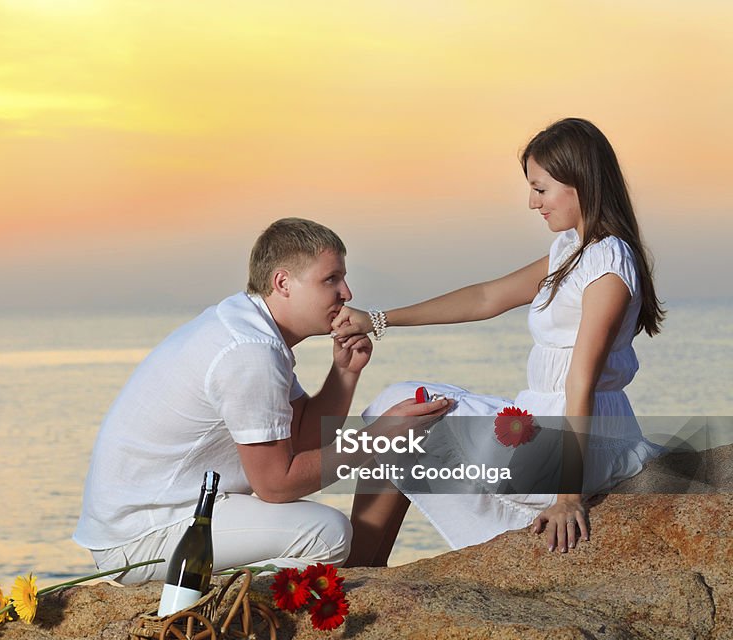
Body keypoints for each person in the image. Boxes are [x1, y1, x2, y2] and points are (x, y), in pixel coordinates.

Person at [332, 118, 665, 564]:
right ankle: (364, 570)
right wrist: (377, 319)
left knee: (404, 410)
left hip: (575, 438)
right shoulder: (572, 250)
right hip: (545, 421)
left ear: (580, 182)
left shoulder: (606, 264)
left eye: (541, 189)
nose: (532, 202)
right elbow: (486, 297)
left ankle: (359, 569)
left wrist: (568, 497)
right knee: (403, 412)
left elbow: (580, 383)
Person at [73, 217, 451, 583]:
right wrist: (381, 436)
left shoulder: (249, 326)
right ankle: (233, 605)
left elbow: (304, 437)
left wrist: (345, 373)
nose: (347, 293)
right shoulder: (250, 351)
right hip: (141, 539)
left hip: (165, 516)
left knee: (323, 531)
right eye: (331, 279)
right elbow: (276, 485)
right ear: (283, 283)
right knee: (328, 534)